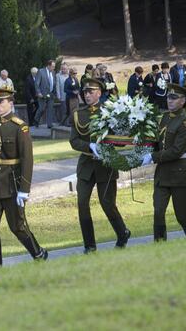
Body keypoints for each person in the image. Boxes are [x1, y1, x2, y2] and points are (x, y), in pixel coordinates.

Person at [0, 86, 48, 268]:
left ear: (10, 103)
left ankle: (38, 253)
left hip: (12, 184)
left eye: (0, 102)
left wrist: (24, 190)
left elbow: (27, 160)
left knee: (17, 226)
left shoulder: (20, 126)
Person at [69, 78, 131, 253]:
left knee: (107, 204)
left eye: (91, 92)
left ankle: (122, 232)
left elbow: (122, 139)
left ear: (99, 93)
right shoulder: (78, 114)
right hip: (86, 167)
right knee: (82, 203)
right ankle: (89, 245)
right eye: (85, 92)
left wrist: (110, 145)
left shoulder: (111, 111)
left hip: (106, 165)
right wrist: (90, 146)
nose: (87, 95)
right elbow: (73, 140)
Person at [143, 83, 186, 241]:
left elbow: (176, 151)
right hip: (163, 174)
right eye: (168, 97)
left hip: (179, 174)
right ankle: (159, 244)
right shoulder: (164, 118)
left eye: (174, 98)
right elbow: (158, 142)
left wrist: (153, 157)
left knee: (181, 215)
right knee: (158, 211)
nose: (170, 100)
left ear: (183, 101)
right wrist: (145, 146)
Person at [34, 60, 56, 128]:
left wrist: (54, 93)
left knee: (50, 109)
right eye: (53, 66)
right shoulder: (41, 71)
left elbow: (54, 83)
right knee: (41, 109)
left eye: (54, 66)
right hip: (42, 94)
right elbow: (36, 83)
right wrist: (38, 92)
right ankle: (36, 120)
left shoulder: (53, 72)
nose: (54, 68)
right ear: (48, 66)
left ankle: (49, 124)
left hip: (51, 94)